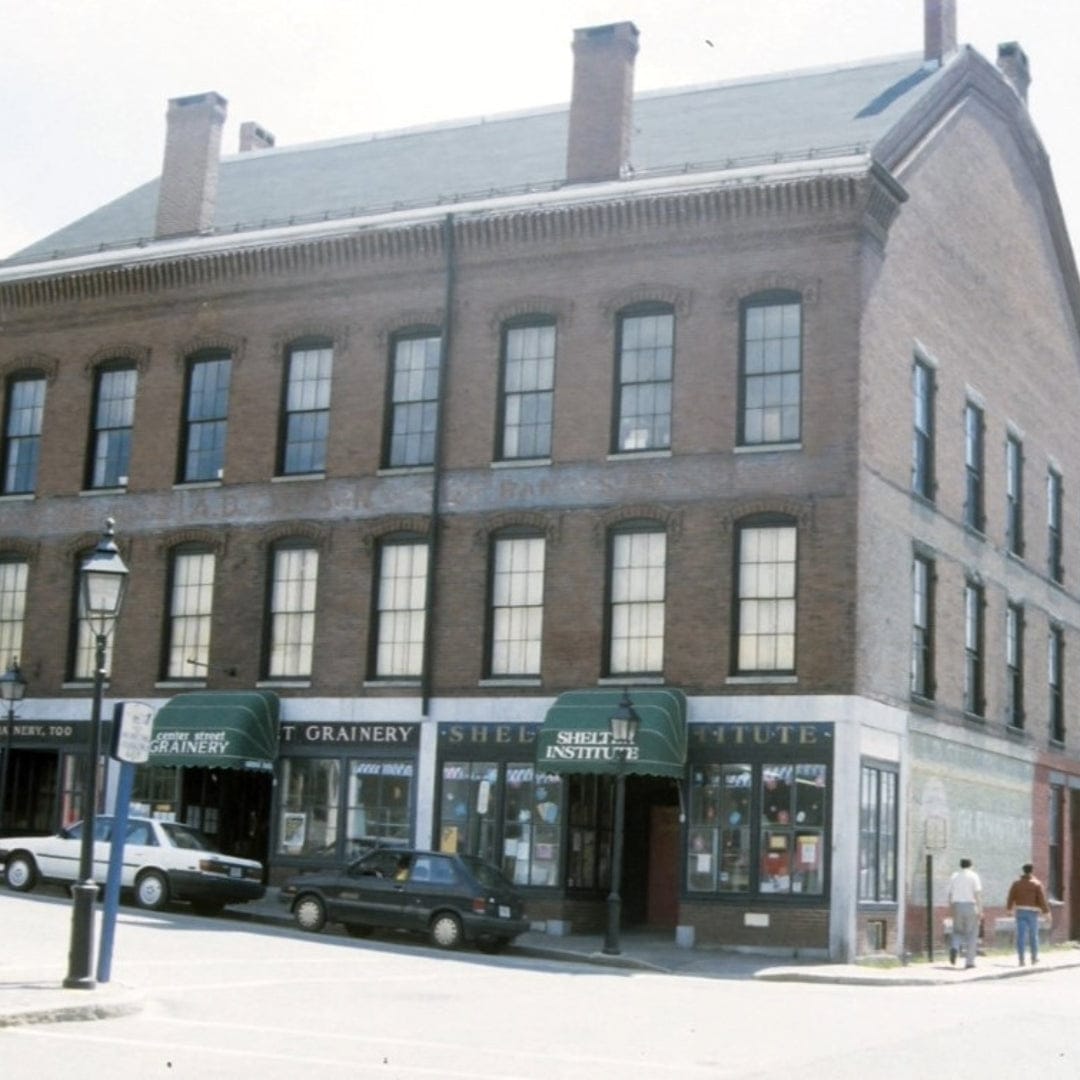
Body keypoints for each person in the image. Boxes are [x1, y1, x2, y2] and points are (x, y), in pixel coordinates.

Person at [1006, 863, 1051, 966]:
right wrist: (1046, 913)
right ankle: (1034, 958)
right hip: (1032, 913)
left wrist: (1009, 909)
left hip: (1020, 911)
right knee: (1033, 935)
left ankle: (1021, 959)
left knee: (1021, 936)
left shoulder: (1016, 883)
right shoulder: (1036, 884)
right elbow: (1042, 900)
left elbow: (1010, 897)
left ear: (1023, 870)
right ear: (1032, 871)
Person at [947, 857, 983, 969]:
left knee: (957, 931)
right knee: (972, 934)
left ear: (960, 865)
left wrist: (951, 908)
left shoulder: (954, 876)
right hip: (970, 906)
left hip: (957, 905)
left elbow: (950, 894)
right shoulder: (974, 876)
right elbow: (977, 894)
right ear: (971, 865)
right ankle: (969, 962)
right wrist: (980, 909)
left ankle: (955, 947)